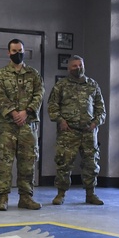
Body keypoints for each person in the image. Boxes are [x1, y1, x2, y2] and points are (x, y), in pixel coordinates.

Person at [0, 38, 43, 211]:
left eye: (20, 50)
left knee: (28, 162)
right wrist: (14, 113)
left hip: (28, 126)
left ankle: (26, 197)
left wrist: (26, 112)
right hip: (7, 126)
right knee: (4, 163)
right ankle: (3, 198)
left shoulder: (34, 74)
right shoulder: (1, 75)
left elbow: (39, 94)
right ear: (9, 53)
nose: (18, 53)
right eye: (14, 51)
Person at [47, 55, 106, 206]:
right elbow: (52, 107)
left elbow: (101, 109)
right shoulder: (61, 85)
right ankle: (60, 194)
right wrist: (60, 120)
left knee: (91, 164)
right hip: (68, 132)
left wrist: (95, 123)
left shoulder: (92, 85)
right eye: (74, 66)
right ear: (68, 68)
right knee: (64, 164)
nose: (78, 68)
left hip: (88, 132)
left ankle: (90, 194)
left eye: (80, 65)